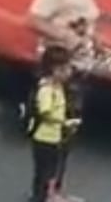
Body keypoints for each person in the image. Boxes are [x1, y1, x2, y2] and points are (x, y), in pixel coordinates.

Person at [28, 46, 81, 202]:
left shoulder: (57, 87)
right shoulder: (46, 89)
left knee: (52, 169)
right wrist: (65, 122)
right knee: (45, 171)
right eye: (65, 69)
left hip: (54, 136)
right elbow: (45, 111)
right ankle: (42, 197)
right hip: (44, 137)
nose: (69, 72)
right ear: (54, 70)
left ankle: (50, 195)